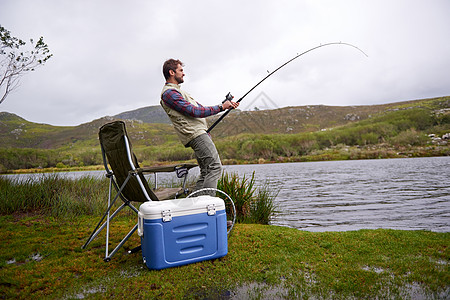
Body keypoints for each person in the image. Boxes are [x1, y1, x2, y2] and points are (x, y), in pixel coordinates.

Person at [160, 59, 239, 192]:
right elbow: (194, 111)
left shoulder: (177, 92)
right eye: (181, 70)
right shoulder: (169, 94)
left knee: (206, 171)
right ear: (172, 72)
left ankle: (196, 204)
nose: (183, 74)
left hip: (198, 134)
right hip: (195, 135)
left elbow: (200, 108)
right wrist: (221, 107)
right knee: (214, 167)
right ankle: (207, 205)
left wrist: (226, 106)